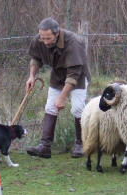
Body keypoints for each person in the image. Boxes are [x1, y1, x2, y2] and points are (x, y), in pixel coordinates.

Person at [26, 17, 90, 158]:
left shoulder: (73, 42)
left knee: (78, 108)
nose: (45, 42)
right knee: (50, 107)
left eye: (49, 38)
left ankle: (81, 144)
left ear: (57, 33)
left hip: (77, 76)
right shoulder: (40, 39)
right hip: (57, 75)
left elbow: (73, 74)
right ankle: (45, 146)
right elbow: (36, 58)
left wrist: (62, 97)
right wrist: (32, 76)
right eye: (43, 38)